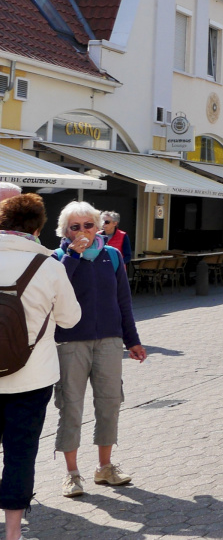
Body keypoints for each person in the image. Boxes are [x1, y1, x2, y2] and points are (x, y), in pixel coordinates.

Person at [51, 201, 145, 499]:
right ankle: (71, 474)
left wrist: (132, 340)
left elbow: (123, 302)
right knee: (71, 406)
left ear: (99, 226)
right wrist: (73, 256)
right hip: (70, 342)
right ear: (65, 231)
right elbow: (56, 291)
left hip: (109, 341)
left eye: (88, 225)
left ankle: (105, 467)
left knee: (110, 402)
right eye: (74, 227)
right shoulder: (56, 258)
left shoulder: (112, 256)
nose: (82, 231)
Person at [0, 194, 81, 536]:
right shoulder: (49, 266)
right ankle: (15, 531)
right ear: (37, 228)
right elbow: (71, 318)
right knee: (20, 454)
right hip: (31, 379)